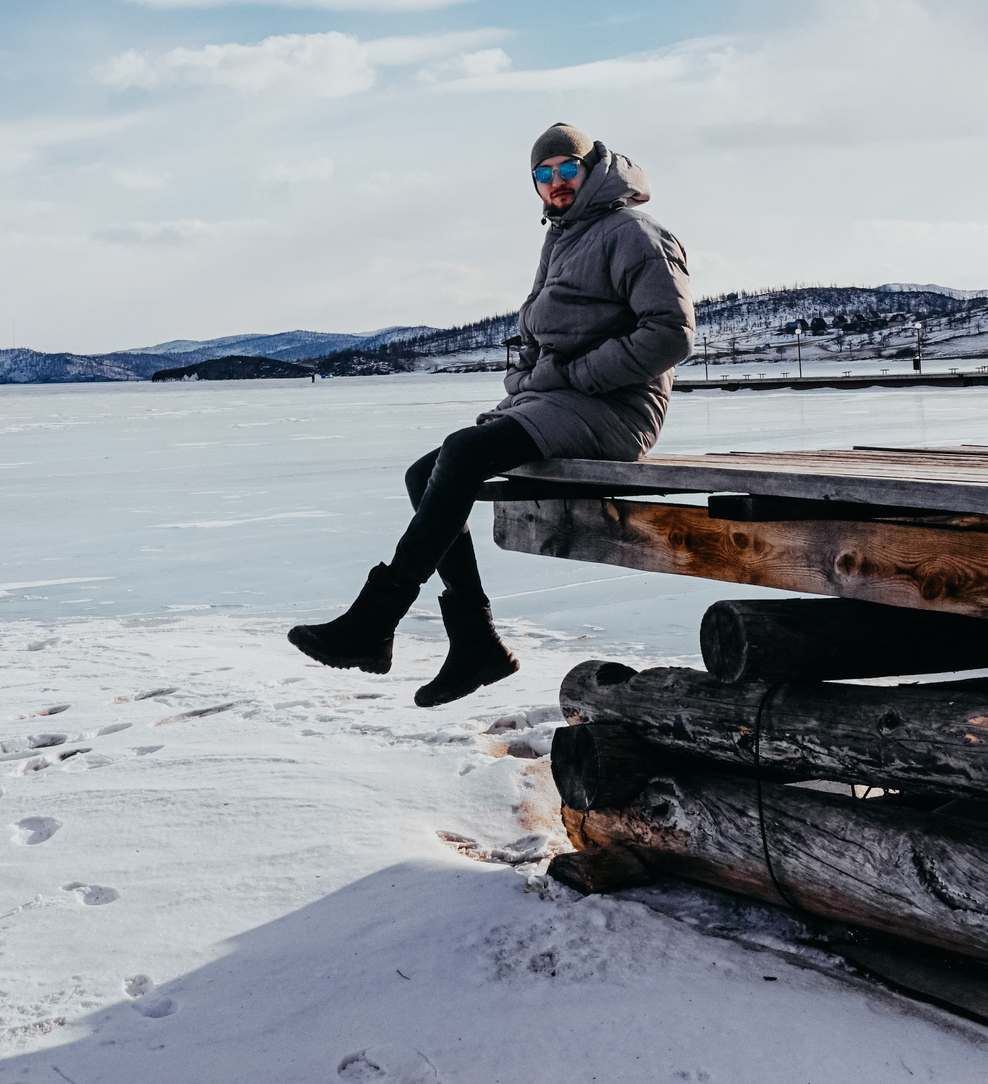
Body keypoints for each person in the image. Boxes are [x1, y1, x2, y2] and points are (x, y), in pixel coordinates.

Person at [287, 122, 695, 706]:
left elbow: (670, 335)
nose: (555, 182)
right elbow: (545, 334)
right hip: (561, 401)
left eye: (566, 169)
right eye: (543, 174)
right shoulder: (565, 236)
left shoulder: (632, 232)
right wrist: (527, 382)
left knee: (463, 453)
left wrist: (577, 376)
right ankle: (475, 641)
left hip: (617, 410)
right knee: (424, 473)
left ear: (591, 169)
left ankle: (375, 621)